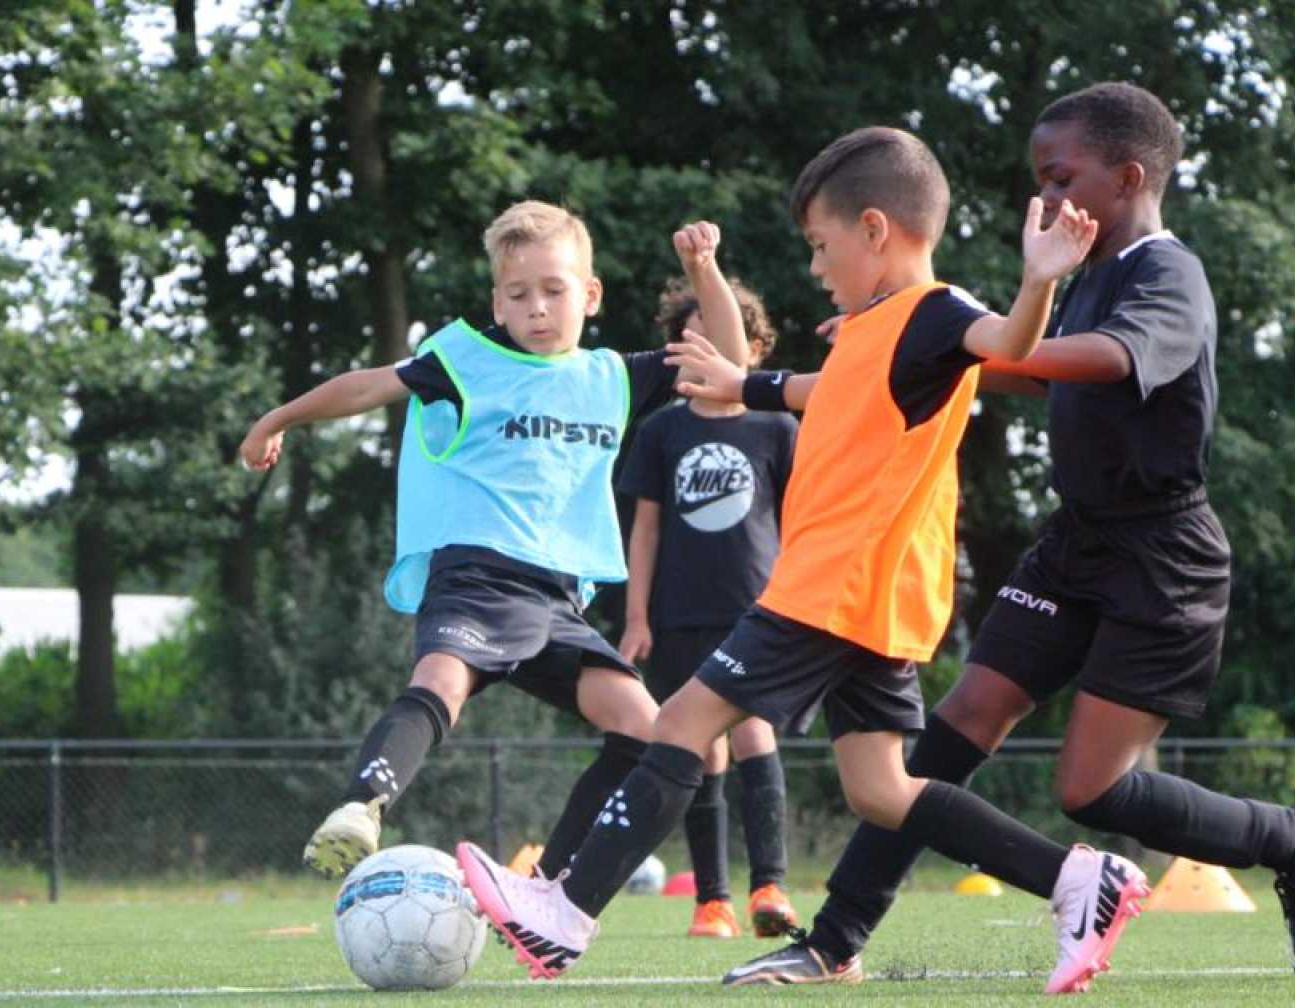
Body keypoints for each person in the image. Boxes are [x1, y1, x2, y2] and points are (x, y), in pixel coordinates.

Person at [687, 81, 1295, 987]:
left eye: (1059, 177)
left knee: (1089, 790)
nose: (1043, 199)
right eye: (1037, 181)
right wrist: (888, 348)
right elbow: (1007, 373)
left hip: (1163, 557)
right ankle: (833, 941)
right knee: (958, 721)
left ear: (1127, 178)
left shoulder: (1167, 274)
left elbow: (1102, 359)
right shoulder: (1078, 283)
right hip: (1076, 542)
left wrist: (949, 333)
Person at [456, 128, 1143, 996]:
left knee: (677, 725)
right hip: (876, 597)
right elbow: (829, 391)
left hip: (833, 585)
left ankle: (565, 913)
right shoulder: (877, 324)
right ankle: (1082, 882)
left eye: (821, 247)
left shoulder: (935, 311)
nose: (816, 267)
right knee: (882, 791)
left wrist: (1042, 275)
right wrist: (742, 386)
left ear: (874, 230)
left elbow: (1006, 343)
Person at [238, 202, 749, 881]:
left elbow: (732, 363)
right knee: (441, 681)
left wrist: (703, 270)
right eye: (519, 295)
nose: (537, 308)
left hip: (559, 599)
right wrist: (279, 418)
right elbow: (366, 385)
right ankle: (361, 807)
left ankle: (545, 885)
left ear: (590, 295)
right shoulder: (464, 359)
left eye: (554, 290)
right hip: (477, 574)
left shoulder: (615, 377)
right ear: (498, 306)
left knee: (647, 727)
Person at [614, 277, 801, 939]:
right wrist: (636, 618)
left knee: (753, 734)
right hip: (679, 614)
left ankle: (771, 888)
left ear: (754, 347)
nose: (709, 349)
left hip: (760, 611)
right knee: (702, 748)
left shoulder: (778, 424)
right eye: (693, 338)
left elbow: (803, 520)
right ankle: (713, 901)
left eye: (725, 337)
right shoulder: (663, 429)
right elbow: (646, 530)